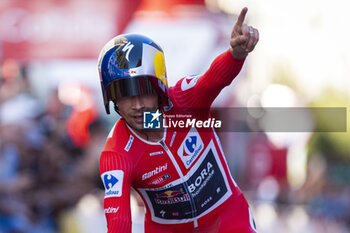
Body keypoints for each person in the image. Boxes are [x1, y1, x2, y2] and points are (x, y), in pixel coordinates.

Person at [98, 7, 259, 233]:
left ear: (159, 86)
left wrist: (236, 54)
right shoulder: (117, 152)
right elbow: (118, 224)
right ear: (112, 99)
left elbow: (213, 79)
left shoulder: (184, 102)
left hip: (226, 218)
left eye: (144, 89)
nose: (137, 105)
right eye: (125, 95)